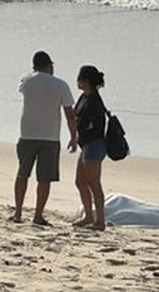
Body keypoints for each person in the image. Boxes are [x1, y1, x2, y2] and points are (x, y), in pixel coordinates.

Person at [10, 51, 77, 225]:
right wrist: (73, 136)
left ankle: (18, 212)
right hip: (50, 136)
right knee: (44, 179)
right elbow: (70, 114)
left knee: (22, 174)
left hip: (27, 134)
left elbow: (24, 86)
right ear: (49, 65)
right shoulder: (61, 85)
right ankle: (38, 215)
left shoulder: (26, 81)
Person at [72, 65, 107, 231]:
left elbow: (85, 123)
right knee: (80, 182)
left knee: (94, 183)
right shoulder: (84, 97)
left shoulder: (94, 101)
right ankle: (88, 216)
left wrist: (76, 125)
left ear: (86, 81)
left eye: (80, 79)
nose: (77, 82)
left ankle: (100, 220)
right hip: (86, 144)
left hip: (94, 145)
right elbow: (76, 115)